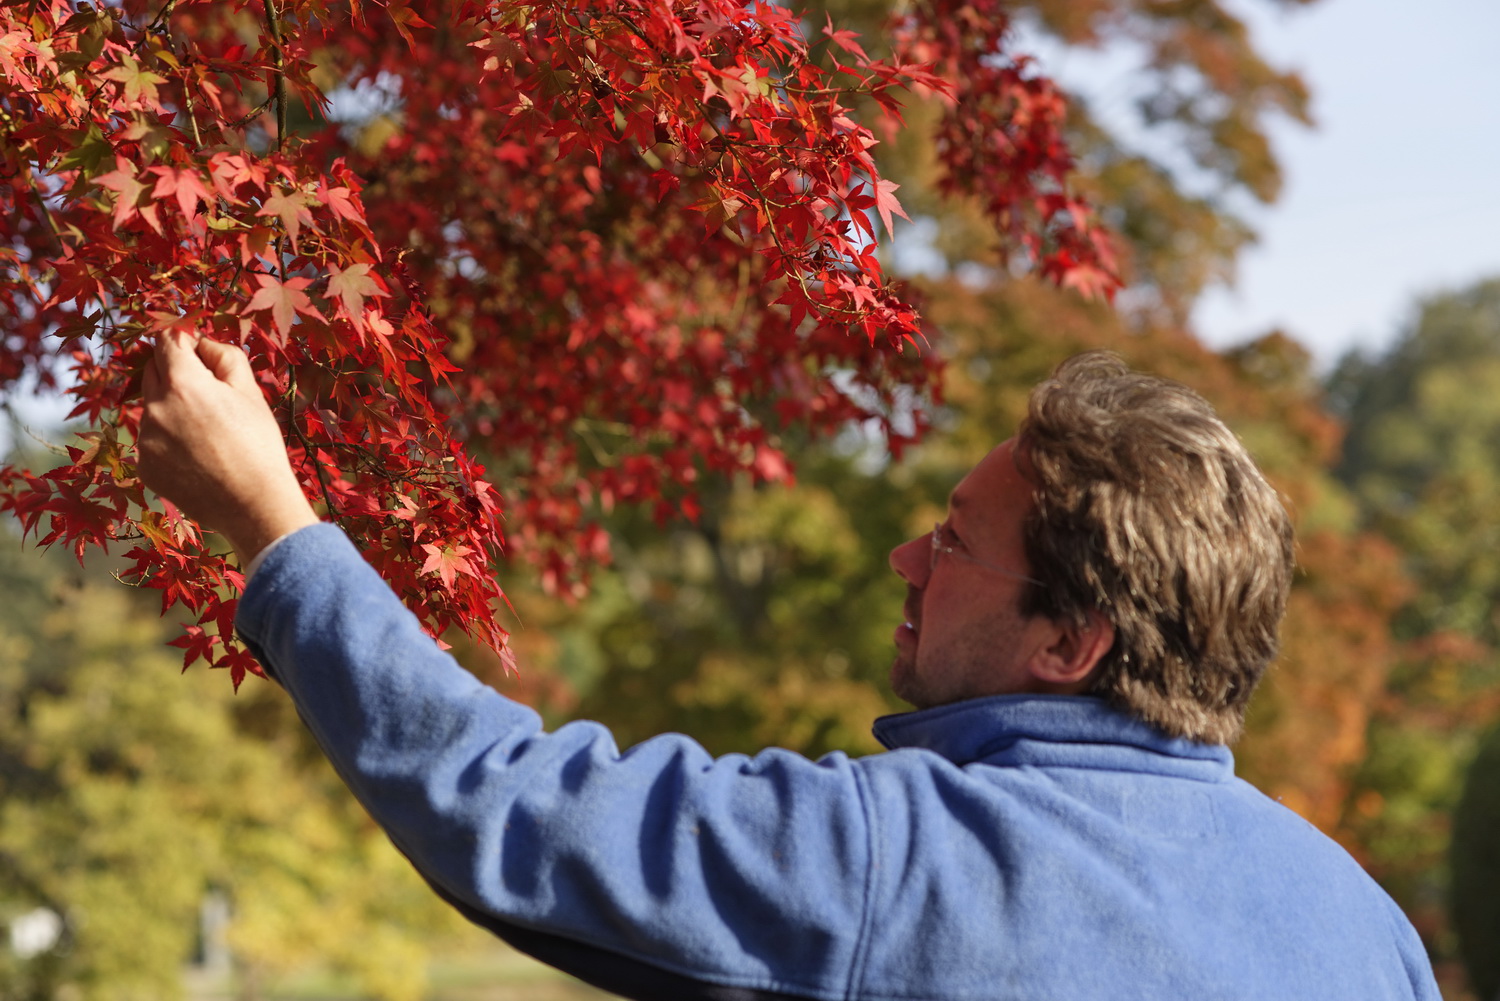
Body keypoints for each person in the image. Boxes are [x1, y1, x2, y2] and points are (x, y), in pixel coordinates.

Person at [136, 334, 1440, 1001]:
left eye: (955, 541)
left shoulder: (908, 857)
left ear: (1068, 643)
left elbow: (507, 805)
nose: (907, 558)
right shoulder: (1369, 932)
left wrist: (275, 527)